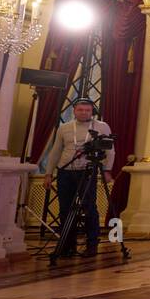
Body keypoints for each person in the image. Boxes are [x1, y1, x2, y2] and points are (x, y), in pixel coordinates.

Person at [43, 98, 114, 257]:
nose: (84, 113)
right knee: (65, 209)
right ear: (74, 111)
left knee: (89, 208)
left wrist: (107, 170)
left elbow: (110, 150)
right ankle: (67, 245)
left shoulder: (101, 127)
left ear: (92, 111)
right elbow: (55, 151)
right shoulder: (65, 128)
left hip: (87, 171)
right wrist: (48, 173)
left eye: (87, 110)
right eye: (80, 110)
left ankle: (91, 245)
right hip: (65, 171)